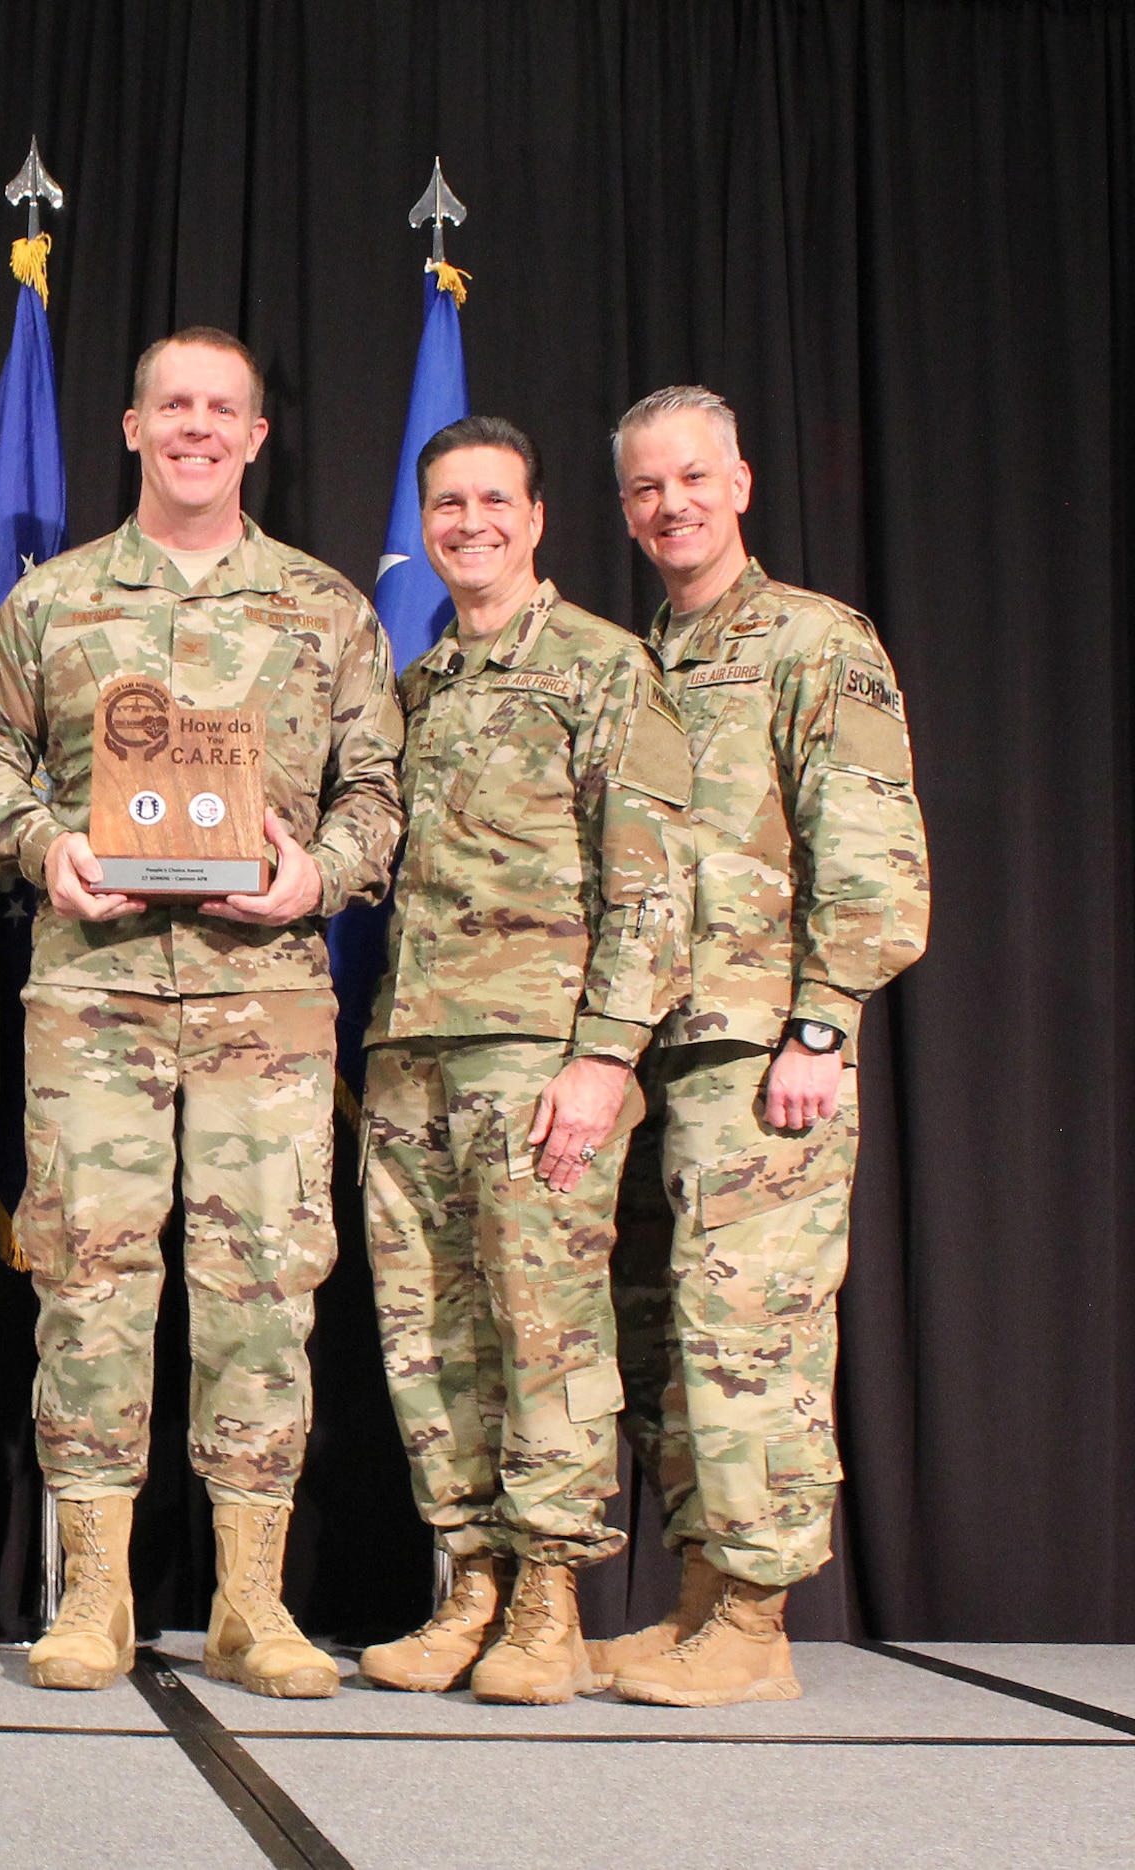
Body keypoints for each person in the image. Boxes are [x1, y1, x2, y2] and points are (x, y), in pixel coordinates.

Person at [0, 327, 404, 1698]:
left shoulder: (329, 611)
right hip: (95, 994)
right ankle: (94, 1591)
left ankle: (253, 1601)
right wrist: (43, 848)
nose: (198, 427)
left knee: (264, 1287)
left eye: (224, 409)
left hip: (266, 1000)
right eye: (174, 406)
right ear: (132, 428)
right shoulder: (51, 604)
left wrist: (320, 871)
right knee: (90, 1284)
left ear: (256, 437)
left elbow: (382, 793)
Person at [595, 386, 930, 1705]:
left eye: (690, 479)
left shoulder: (813, 642)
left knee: (754, 1331)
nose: (669, 505)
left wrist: (820, 1024)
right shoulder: (633, 662)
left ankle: (754, 1619)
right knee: (667, 1336)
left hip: (758, 1047)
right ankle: (696, 1603)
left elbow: (871, 848)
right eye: (643, 489)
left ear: (740, 483)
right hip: (643, 1050)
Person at [357, 417, 694, 1702]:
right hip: (410, 1054)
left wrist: (605, 1058)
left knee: (542, 1327)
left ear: (538, 516)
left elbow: (653, 886)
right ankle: (471, 1585)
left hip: (539, 1052)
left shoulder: (600, 669)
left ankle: (549, 1596)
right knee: (426, 1330)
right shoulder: (417, 688)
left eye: (492, 500)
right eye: (444, 505)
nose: (467, 525)